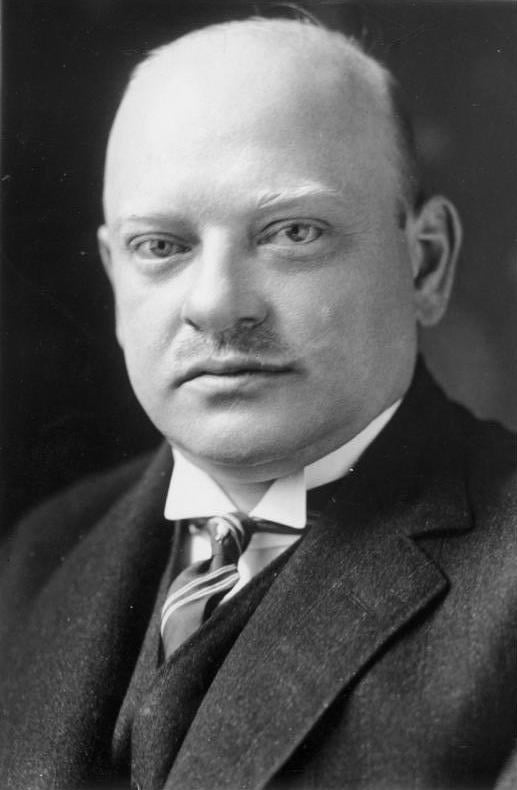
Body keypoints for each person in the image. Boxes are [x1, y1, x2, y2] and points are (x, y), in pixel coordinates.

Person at [1, 15, 516, 790]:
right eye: (162, 247)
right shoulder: (41, 555)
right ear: (114, 274)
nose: (215, 305)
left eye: (291, 232)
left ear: (425, 263)